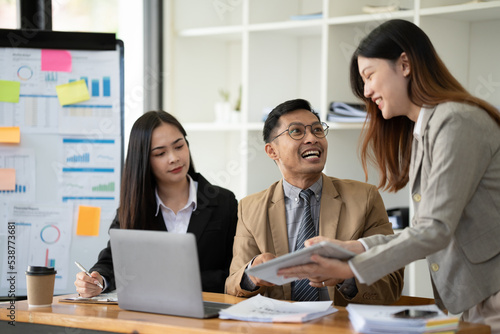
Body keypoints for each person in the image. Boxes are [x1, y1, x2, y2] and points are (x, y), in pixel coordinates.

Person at [278, 19, 500, 331]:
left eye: (369, 76)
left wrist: (351, 268)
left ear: (405, 64)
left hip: (491, 296)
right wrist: (350, 247)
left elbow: (434, 230)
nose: (366, 91)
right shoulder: (429, 128)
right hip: (473, 298)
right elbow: (427, 228)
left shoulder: (455, 121)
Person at [225, 98, 404, 306]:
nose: (312, 138)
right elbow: (232, 286)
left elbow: (392, 284)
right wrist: (251, 274)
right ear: (272, 151)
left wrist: (345, 277)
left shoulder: (365, 198)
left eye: (317, 130)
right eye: (297, 131)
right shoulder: (250, 208)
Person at [74, 111, 238, 297]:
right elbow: (113, 263)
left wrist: (180, 280)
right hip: (151, 315)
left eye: (179, 146)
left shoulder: (224, 202)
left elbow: (236, 270)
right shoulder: (132, 209)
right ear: (144, 161)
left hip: (209, 313)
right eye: (160, 153)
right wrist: (97, 281)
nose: (174, 158)